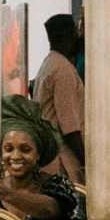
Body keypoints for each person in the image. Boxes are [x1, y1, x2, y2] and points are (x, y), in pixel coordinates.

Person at [0, 96, 85, 220]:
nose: (15, 156)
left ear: (38, 154)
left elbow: (49, 209)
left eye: (25, 150)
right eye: (8, 149)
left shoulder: (57, 185)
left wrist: (5, 193)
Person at [32, 13, 87, 174]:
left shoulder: (50, 62)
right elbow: (69, 128)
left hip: (50, 156)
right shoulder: (63, 70)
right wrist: (86, 162)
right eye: (76, 32)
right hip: (63, 161)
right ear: (69, 36)